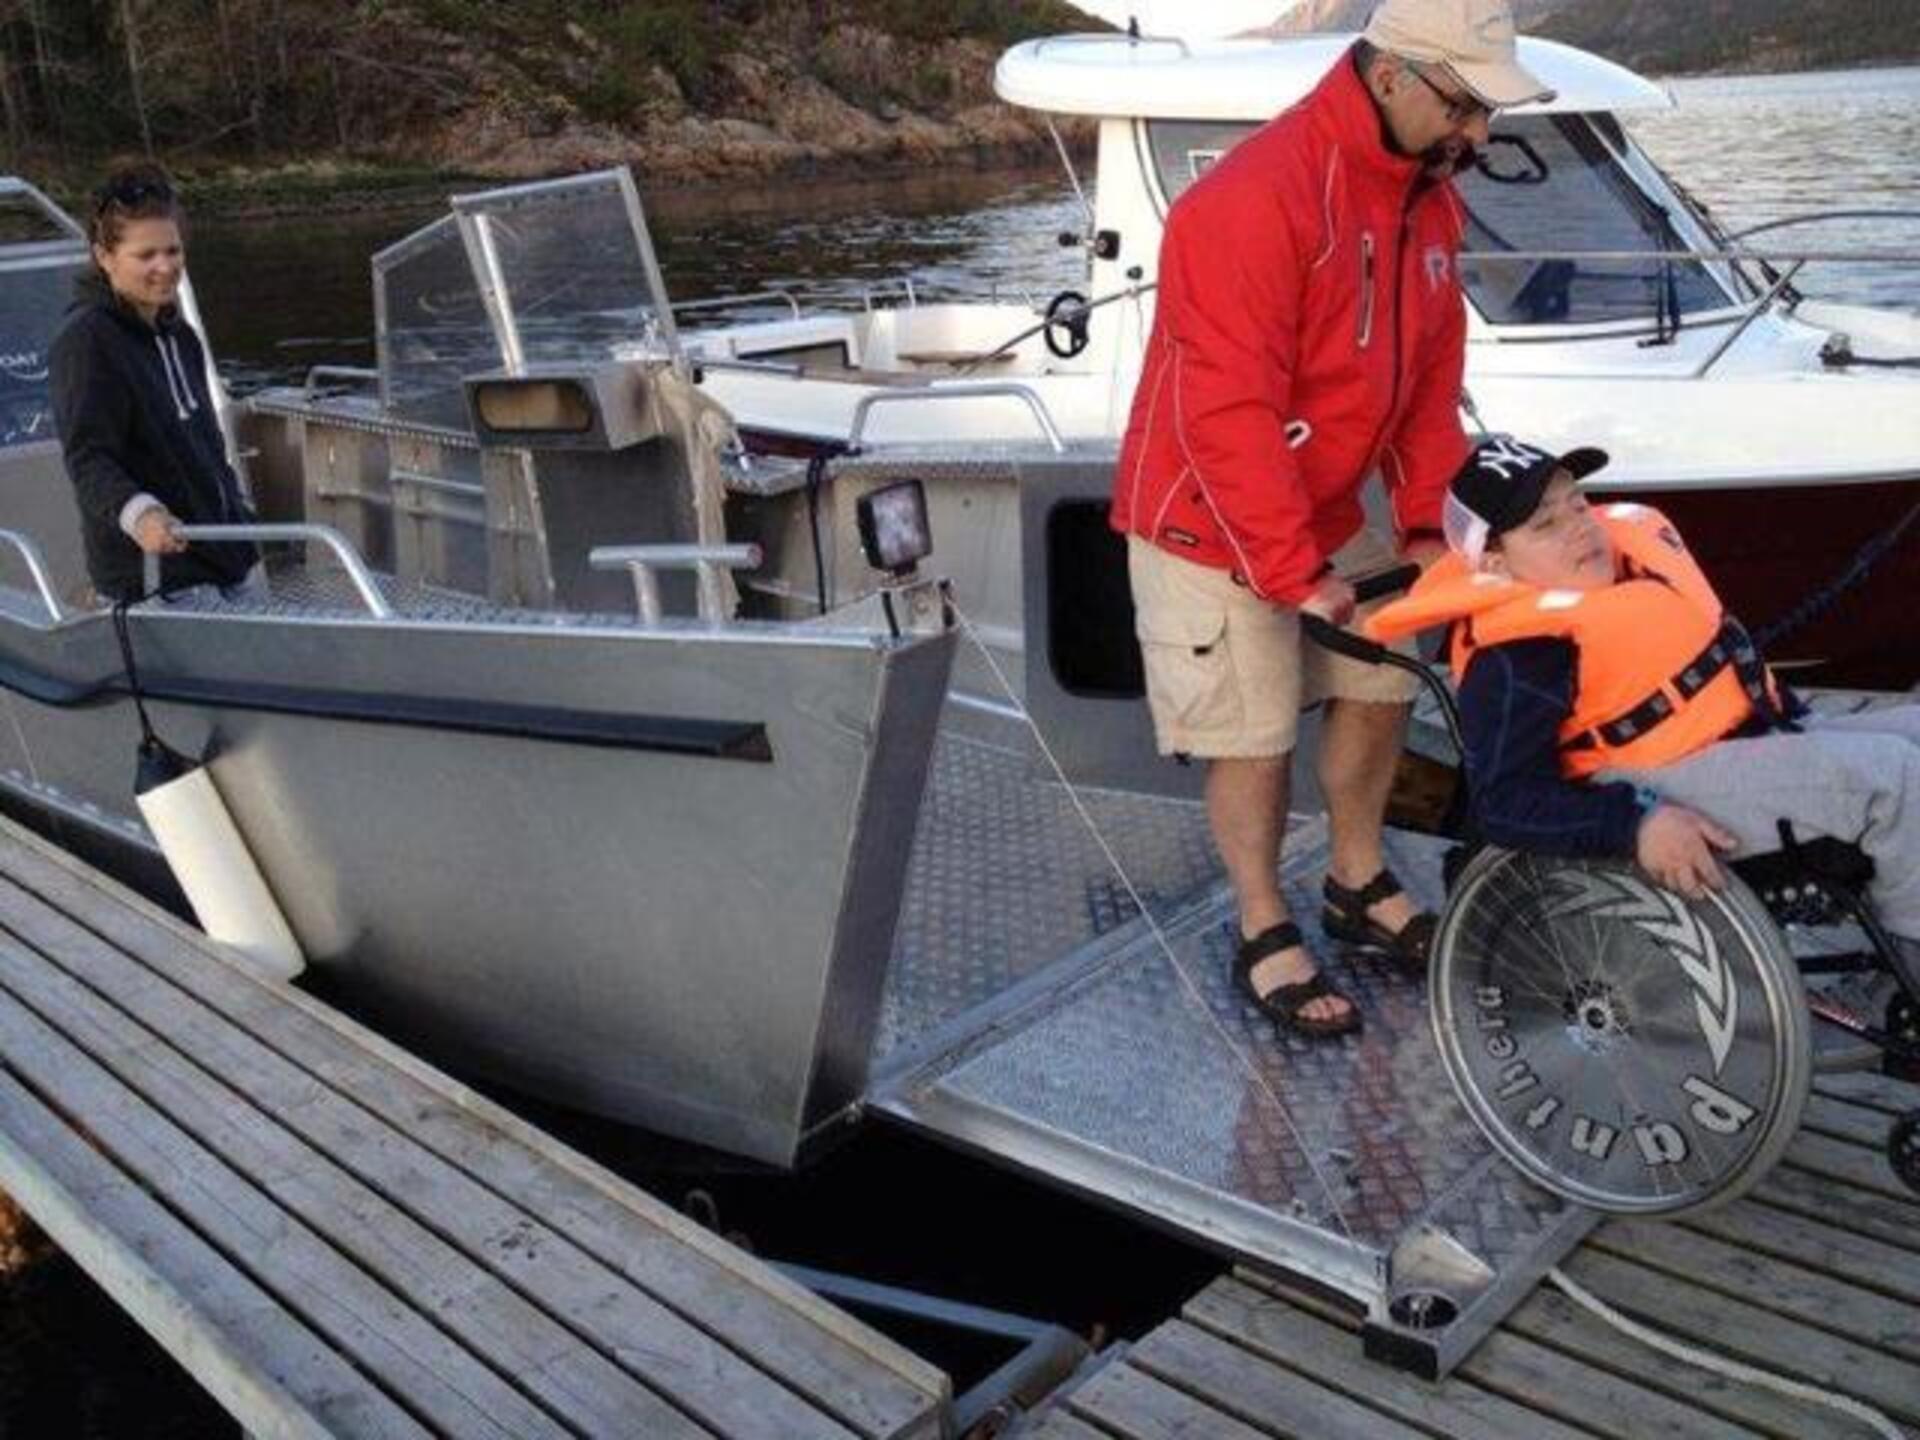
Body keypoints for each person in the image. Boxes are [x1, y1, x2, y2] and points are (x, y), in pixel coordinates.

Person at [1111, 0, 1553, 1036]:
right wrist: (1292, 570)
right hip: (1206, 512)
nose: (1478, 136)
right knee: (1252, 728)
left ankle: (1355, 880)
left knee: (1382, 676)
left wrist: (1421, 529)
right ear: (1393, 75)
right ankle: (1263, 922)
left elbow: (1426, 384)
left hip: (1317, 492)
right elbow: (1225, 414)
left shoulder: (1427, 201)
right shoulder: (1249, 201)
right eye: (1465, 105)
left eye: (1488, 111)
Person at [1364, 436, 1920, 959]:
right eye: (1546, 524)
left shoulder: (1633, 566)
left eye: (1577, 505)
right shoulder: (1518, 656)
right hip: (1653, 788)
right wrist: (1636, 825)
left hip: (1747, 740)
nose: (1579, 528)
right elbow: (1505, 802)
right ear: (1495, 564)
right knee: (1892, 775)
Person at [50, 161, 258, 604]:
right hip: (156, 576)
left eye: (173, 251)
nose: (165, 267)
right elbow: (89, 458)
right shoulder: (87, 340)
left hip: (225, 557)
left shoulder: (181, 336)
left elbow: (206, 441)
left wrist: (235, 510)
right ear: (104, 257)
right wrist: (140, 514)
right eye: (146, 255)